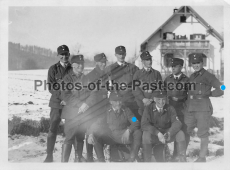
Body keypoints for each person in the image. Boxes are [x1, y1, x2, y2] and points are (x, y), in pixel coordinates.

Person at [184, 53, 224, 162]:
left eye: (198, 63)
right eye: (194, 63)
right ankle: (182, 155)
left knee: (202, 133)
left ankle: (202, 157)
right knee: (185, 130)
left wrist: (210, 94)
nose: (196, 65)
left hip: (203, 108)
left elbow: (222, 87)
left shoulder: (208, 76)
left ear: (202, 63)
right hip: (191, 108)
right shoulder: (192, 76)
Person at [87, 92, 142, 162]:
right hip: (111, 137)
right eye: (115, 101)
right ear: (110, 102)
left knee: (138, 132)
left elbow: (135, 121)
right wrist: (91, 134)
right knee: (96, 134)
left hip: (124, 136)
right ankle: (101, 161)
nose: (118, 103)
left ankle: (132, 158)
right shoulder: (106, 111)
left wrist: (129, 130)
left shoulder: (126, 110)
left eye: (119, 101)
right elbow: (97, 123)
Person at [44, 45, 72, 162]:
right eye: (62, 54)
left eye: (66, 54)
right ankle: (49, 155)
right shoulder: (53, 69)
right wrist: (61, 98)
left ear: (69, 55)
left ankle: (67, 158)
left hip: (70, 104)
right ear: (58, 55)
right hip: (56, 103)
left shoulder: (73, 68)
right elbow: (51, 87)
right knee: (53, 129)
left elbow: (77, 86)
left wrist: (69, 99)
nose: (64, 56)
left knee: (71, 129)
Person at [141, 90, 187, 162]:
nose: (161, 102)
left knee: (180, 133)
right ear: (154, 99)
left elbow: (177, 123)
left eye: (163, 99)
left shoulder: (170, 108)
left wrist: (169, 133)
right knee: (145, 134)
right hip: (155, 135)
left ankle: (182, 160)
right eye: (159, 99)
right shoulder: (148, 109)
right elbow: (144, 124)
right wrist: (157, 133)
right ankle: (147, 161)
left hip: (166, 134)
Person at [83, 53, 109, 162]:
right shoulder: (90, 76)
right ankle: (89, 156)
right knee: (91, 130)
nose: (104, 64)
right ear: (97, 62)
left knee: (99, 129)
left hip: (104, 104)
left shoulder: (106, 74)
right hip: (94, 106)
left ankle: (98, 154)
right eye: (102, 62)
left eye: (105, 62)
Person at [164, 58, 190, 161]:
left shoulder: (186, 80)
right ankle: (172, 155)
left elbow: (190, 96)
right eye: (172, 66)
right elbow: (162, 94)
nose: (173, 68)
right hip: (171, 110)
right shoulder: (168, 79)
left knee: (184, 132)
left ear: (181, 67)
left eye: (175, 66)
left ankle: (180, 155)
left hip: (183, 110)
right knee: (173, 131)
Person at [105, 46, 140, 121]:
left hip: (131, 100)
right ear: (115, 55)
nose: (121, 56)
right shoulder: (109, 69)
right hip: (117, 101)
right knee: (118, 121)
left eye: (123, 54)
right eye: (119, 54)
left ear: (125, 54)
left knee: (134, 119)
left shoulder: (133, 68)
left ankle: (134, 128)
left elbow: (140, 82)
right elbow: (105, 85)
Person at [132, 51, 162, 117]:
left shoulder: (157, 74)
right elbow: (135, 89)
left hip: (153, 104)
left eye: (150, 59)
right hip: (140, 105)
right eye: (147, 60)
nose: (150, 62)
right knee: (137, 122)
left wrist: (151, 99)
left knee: (153, 124)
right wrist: (143, 99)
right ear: (142, 61)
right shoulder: (137, 74)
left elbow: (159, 89)